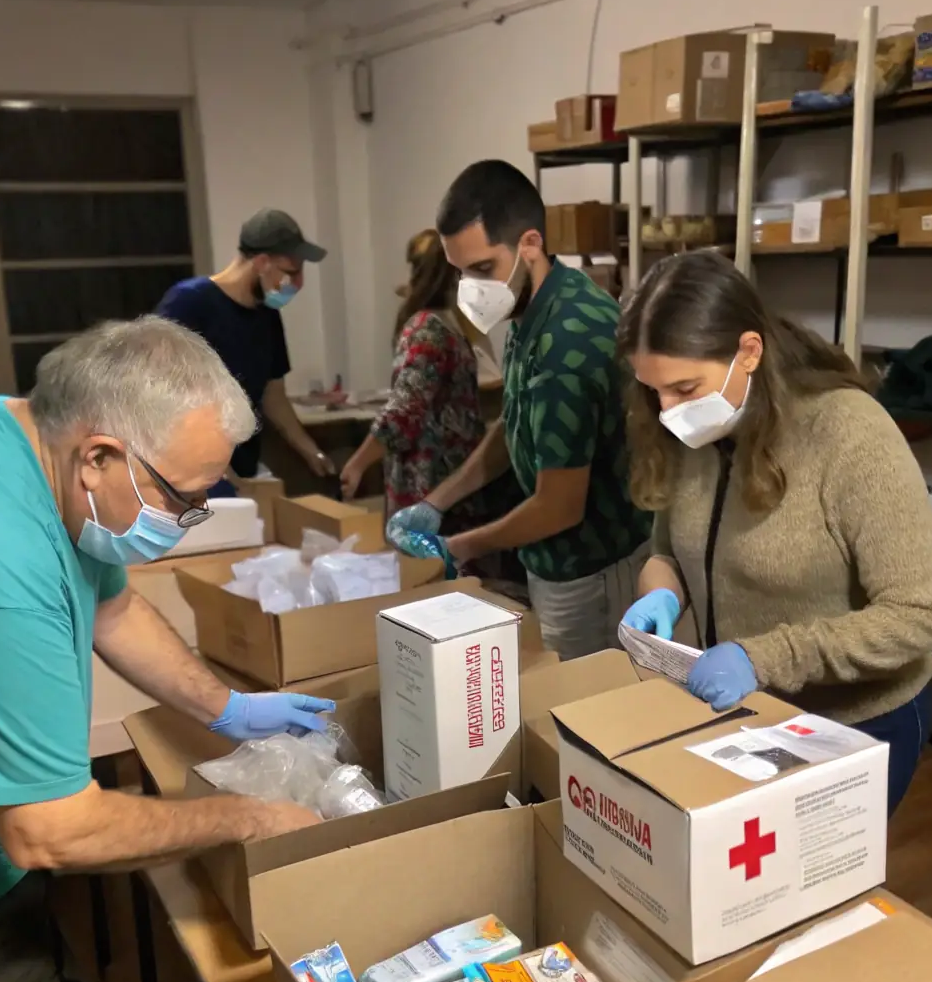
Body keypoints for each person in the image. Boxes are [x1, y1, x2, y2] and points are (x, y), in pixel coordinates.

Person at [0, 317, 337, 982]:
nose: (189, 517)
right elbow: (50, 828)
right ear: (101, 457)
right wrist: (244, 816)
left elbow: (112, 610)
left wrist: (229, 709)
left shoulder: (12, 433)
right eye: (184, 496)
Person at [618, 251, 932, 816]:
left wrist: (763, 657)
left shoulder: (848, 433)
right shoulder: (694, 434)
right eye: (653, 391)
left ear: (748, 352)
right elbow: (666, 548)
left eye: (683, 387)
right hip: (749, 713)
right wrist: (662, 589)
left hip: (854, 721)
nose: (666, 409)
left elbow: (922, 613)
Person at [389, 160, 651, 661]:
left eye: (482, 269)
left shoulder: (568, 340)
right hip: (556, 562)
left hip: (595, 569)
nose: (470, 287)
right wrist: (437, 502)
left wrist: (459, 546)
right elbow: (516, 423)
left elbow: (559, 505)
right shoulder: (531, 306)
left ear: (529, 244)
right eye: (460, 271)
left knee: (586, 712)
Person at [156, 208, 334, 491]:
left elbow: (273, 395)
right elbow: (164, 398)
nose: (298, 284)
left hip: (242, 465)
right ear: (262, 262)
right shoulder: (189, 304)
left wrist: (312, 451)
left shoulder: (267, 315)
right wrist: (223, 475)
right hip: (192, 473)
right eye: (291, 273)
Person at [339, 228, 492, 535]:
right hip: (455, 482)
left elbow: (403, 413)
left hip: (429, 483)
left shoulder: (425, 329)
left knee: (428, 574)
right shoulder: (449, 324)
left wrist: (357, 463)